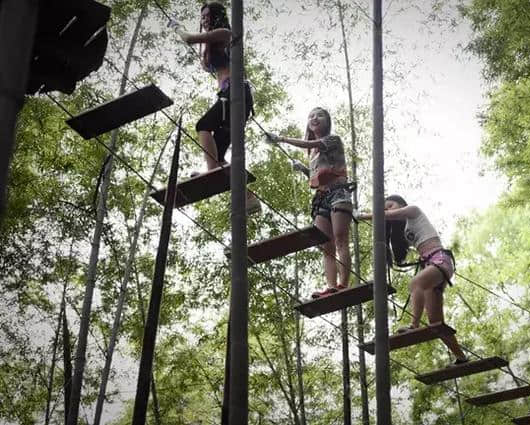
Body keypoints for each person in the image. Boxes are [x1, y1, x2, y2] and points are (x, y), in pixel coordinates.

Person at [359, 195, 468, 365]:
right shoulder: (404, 230)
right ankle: (461, 357)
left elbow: (385, 216)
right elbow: (392, 234)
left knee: (416, 283)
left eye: (390, 205)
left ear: (402, 204)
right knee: (436, 322)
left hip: (440, 260)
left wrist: (363, 215)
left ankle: (414, 324)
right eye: (385, 208)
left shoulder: (413, 211)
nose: (387, 210)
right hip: (432, 265)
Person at [173, 2, 260, 214]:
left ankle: (211, 171)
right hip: (228, 95)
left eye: (207, 16)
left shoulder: (225, 33)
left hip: (236, 92)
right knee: (218, 156)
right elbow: (205, 65)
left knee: (203, 125)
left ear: (218, 16)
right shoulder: (215, 44)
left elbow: (189, 38)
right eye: (202, 17)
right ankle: (250, 198)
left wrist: (177, 28)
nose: (204, 20)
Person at [265, 107, 352, 298]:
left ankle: (343, 284)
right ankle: (331, 286)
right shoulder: (312, 153)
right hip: (321, 198)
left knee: (340, 239)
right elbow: (317, 177)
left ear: (327, 121)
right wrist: (304, 169)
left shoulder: (332, 140)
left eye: (319, 115)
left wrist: (281, 139)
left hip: (339, 194)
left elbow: (310, 143)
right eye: (311, 115)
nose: (314, 118)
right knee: (325, 245)